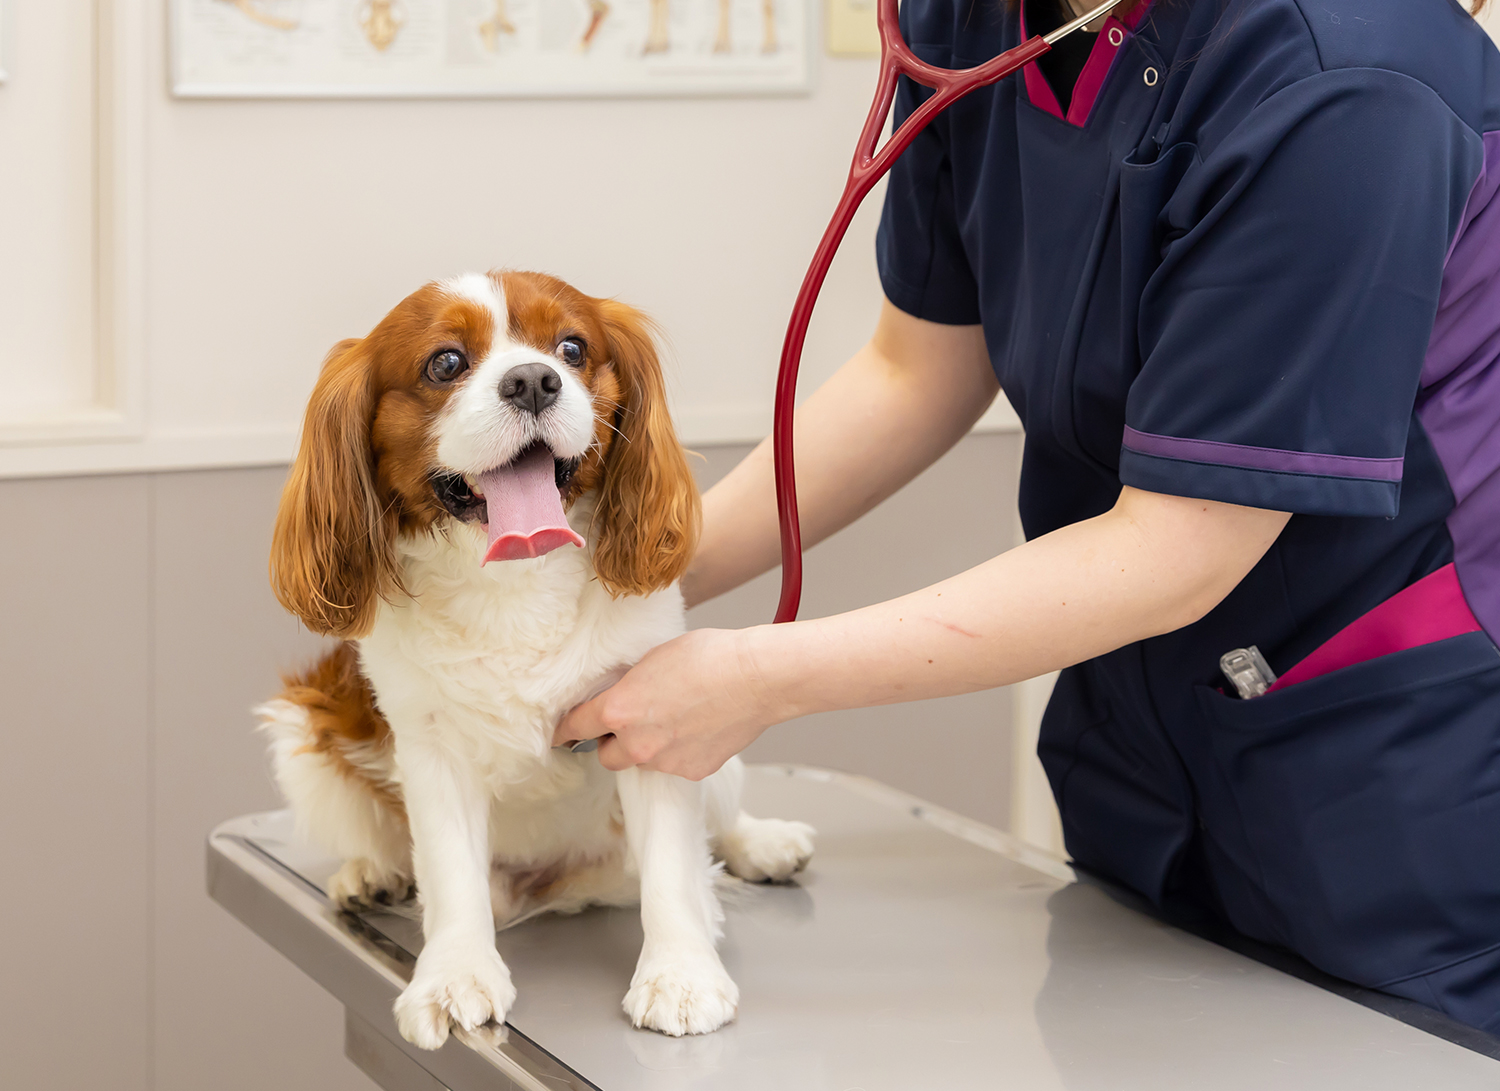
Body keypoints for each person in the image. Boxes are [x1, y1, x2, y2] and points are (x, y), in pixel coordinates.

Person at [557, 0, 1500, 1033]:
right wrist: (608, 581)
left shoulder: (1346, 79)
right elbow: (915, 373)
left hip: (1395, 749)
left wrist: (753, 679)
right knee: (1135, 1024)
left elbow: (1179, 547)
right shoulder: (971, 20)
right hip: (1140, 719)